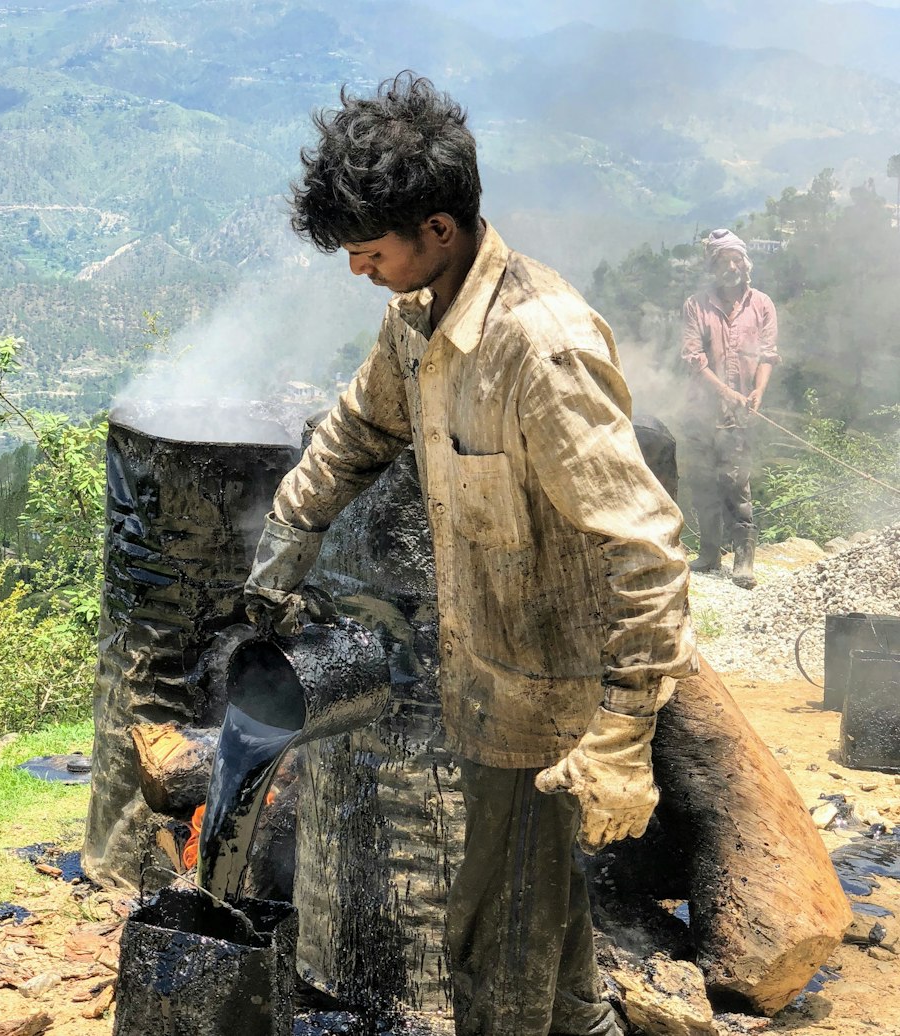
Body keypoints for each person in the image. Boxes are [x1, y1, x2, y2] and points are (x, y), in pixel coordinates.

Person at [244, 72, 697, 1036]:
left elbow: (648, 550)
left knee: (491, 957)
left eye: (370, 251)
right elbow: (360, 426)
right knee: (549, 945)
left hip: (552, 727)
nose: (358, 269)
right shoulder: (417, 321)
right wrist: (293, 526)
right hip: (485, 695)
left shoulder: (540, 348)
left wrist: (620, 739)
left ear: (438, 229)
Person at [681, 229, 780, 589]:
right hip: (701, 412)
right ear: (713, 266)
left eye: (737, 259)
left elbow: (768, 354)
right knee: (703, 482)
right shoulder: (696, 306)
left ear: (745, 264)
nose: (732, 266)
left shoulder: (762, 305)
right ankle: (709, 554)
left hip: (741, 414)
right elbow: (694, 358)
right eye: (724, 261)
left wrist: (757, 391)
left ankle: (744, 561)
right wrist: (725, 392)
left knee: (737, 481)